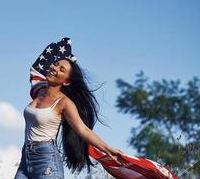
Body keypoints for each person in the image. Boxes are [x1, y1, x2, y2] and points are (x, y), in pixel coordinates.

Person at [14, 38, 123, 179]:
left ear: (66, 81)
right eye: (55, 64)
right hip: (26, 159)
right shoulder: (39, 89)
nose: (54, 68)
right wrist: (63, 46)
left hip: (46, 161)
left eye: (61, 69)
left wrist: (107, 149)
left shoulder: (64, 103)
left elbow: (82, 129)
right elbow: (35, 69)